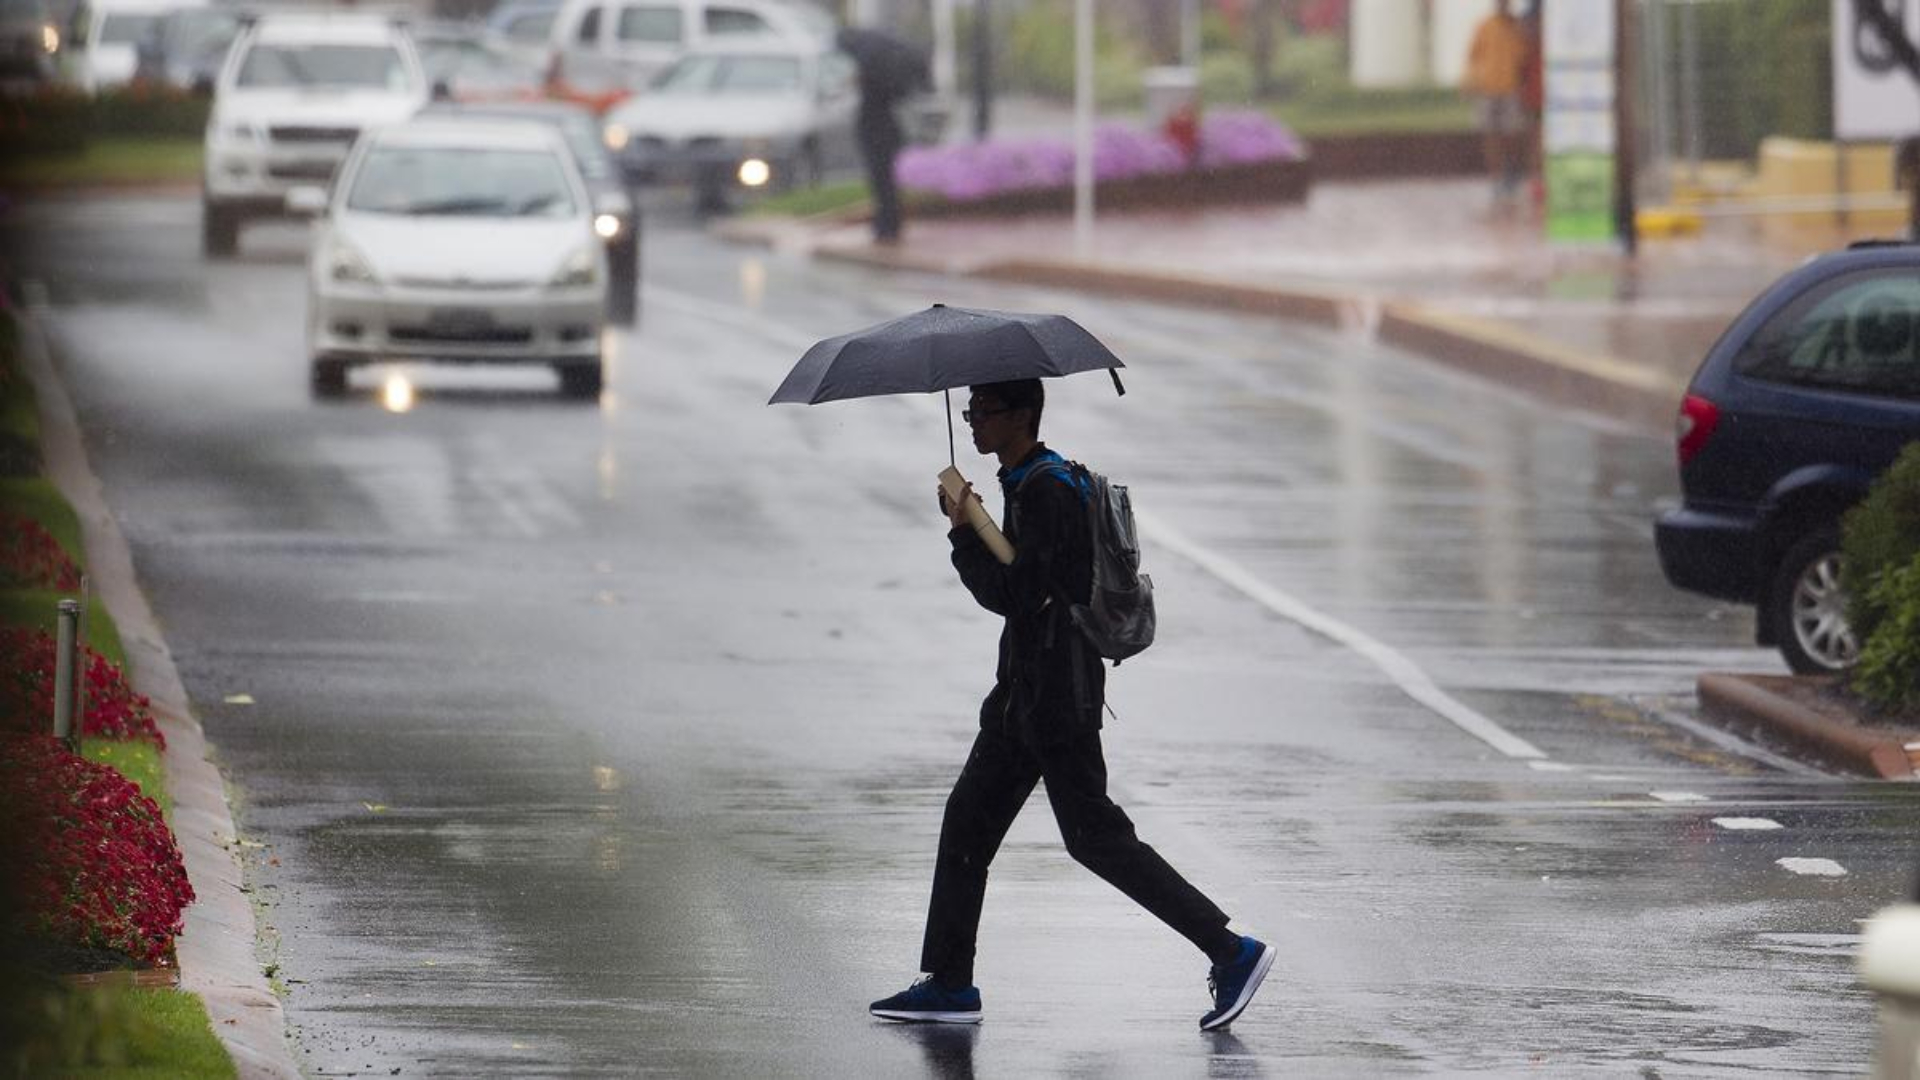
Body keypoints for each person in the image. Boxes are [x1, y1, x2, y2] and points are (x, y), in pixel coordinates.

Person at [868, 378, 1274, 1031]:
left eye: (985, 411)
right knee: (968, 820)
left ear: (1021, 415)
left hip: (1056, 699)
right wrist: (976, 520)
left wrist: (964, 534)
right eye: (970, 411)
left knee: (1096, 839)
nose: (973, 422)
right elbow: (1029, 584)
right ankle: (948, 981)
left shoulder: (1049, 488)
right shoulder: (1028, 482)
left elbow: (1019, 594)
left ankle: (1232, 950)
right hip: (1026, 697)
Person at [836, 27, 922, 244]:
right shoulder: (886, 78)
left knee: (882, 182)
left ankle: (887, 226)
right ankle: (887, 224)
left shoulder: (875, 77)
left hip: (877, 131)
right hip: (888, 130)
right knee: (885, 183)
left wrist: (862, 81)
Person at [1463, 0, 1528, 206]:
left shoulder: (1516, 27)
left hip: (1510, 88)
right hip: (1488, 88)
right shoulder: (1484, 26)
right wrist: (1470, 82)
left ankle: (1511, 172)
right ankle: (1496, 179)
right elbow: (1473, 56)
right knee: (1490, 135)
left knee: (1511, 133)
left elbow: (1523, 56)